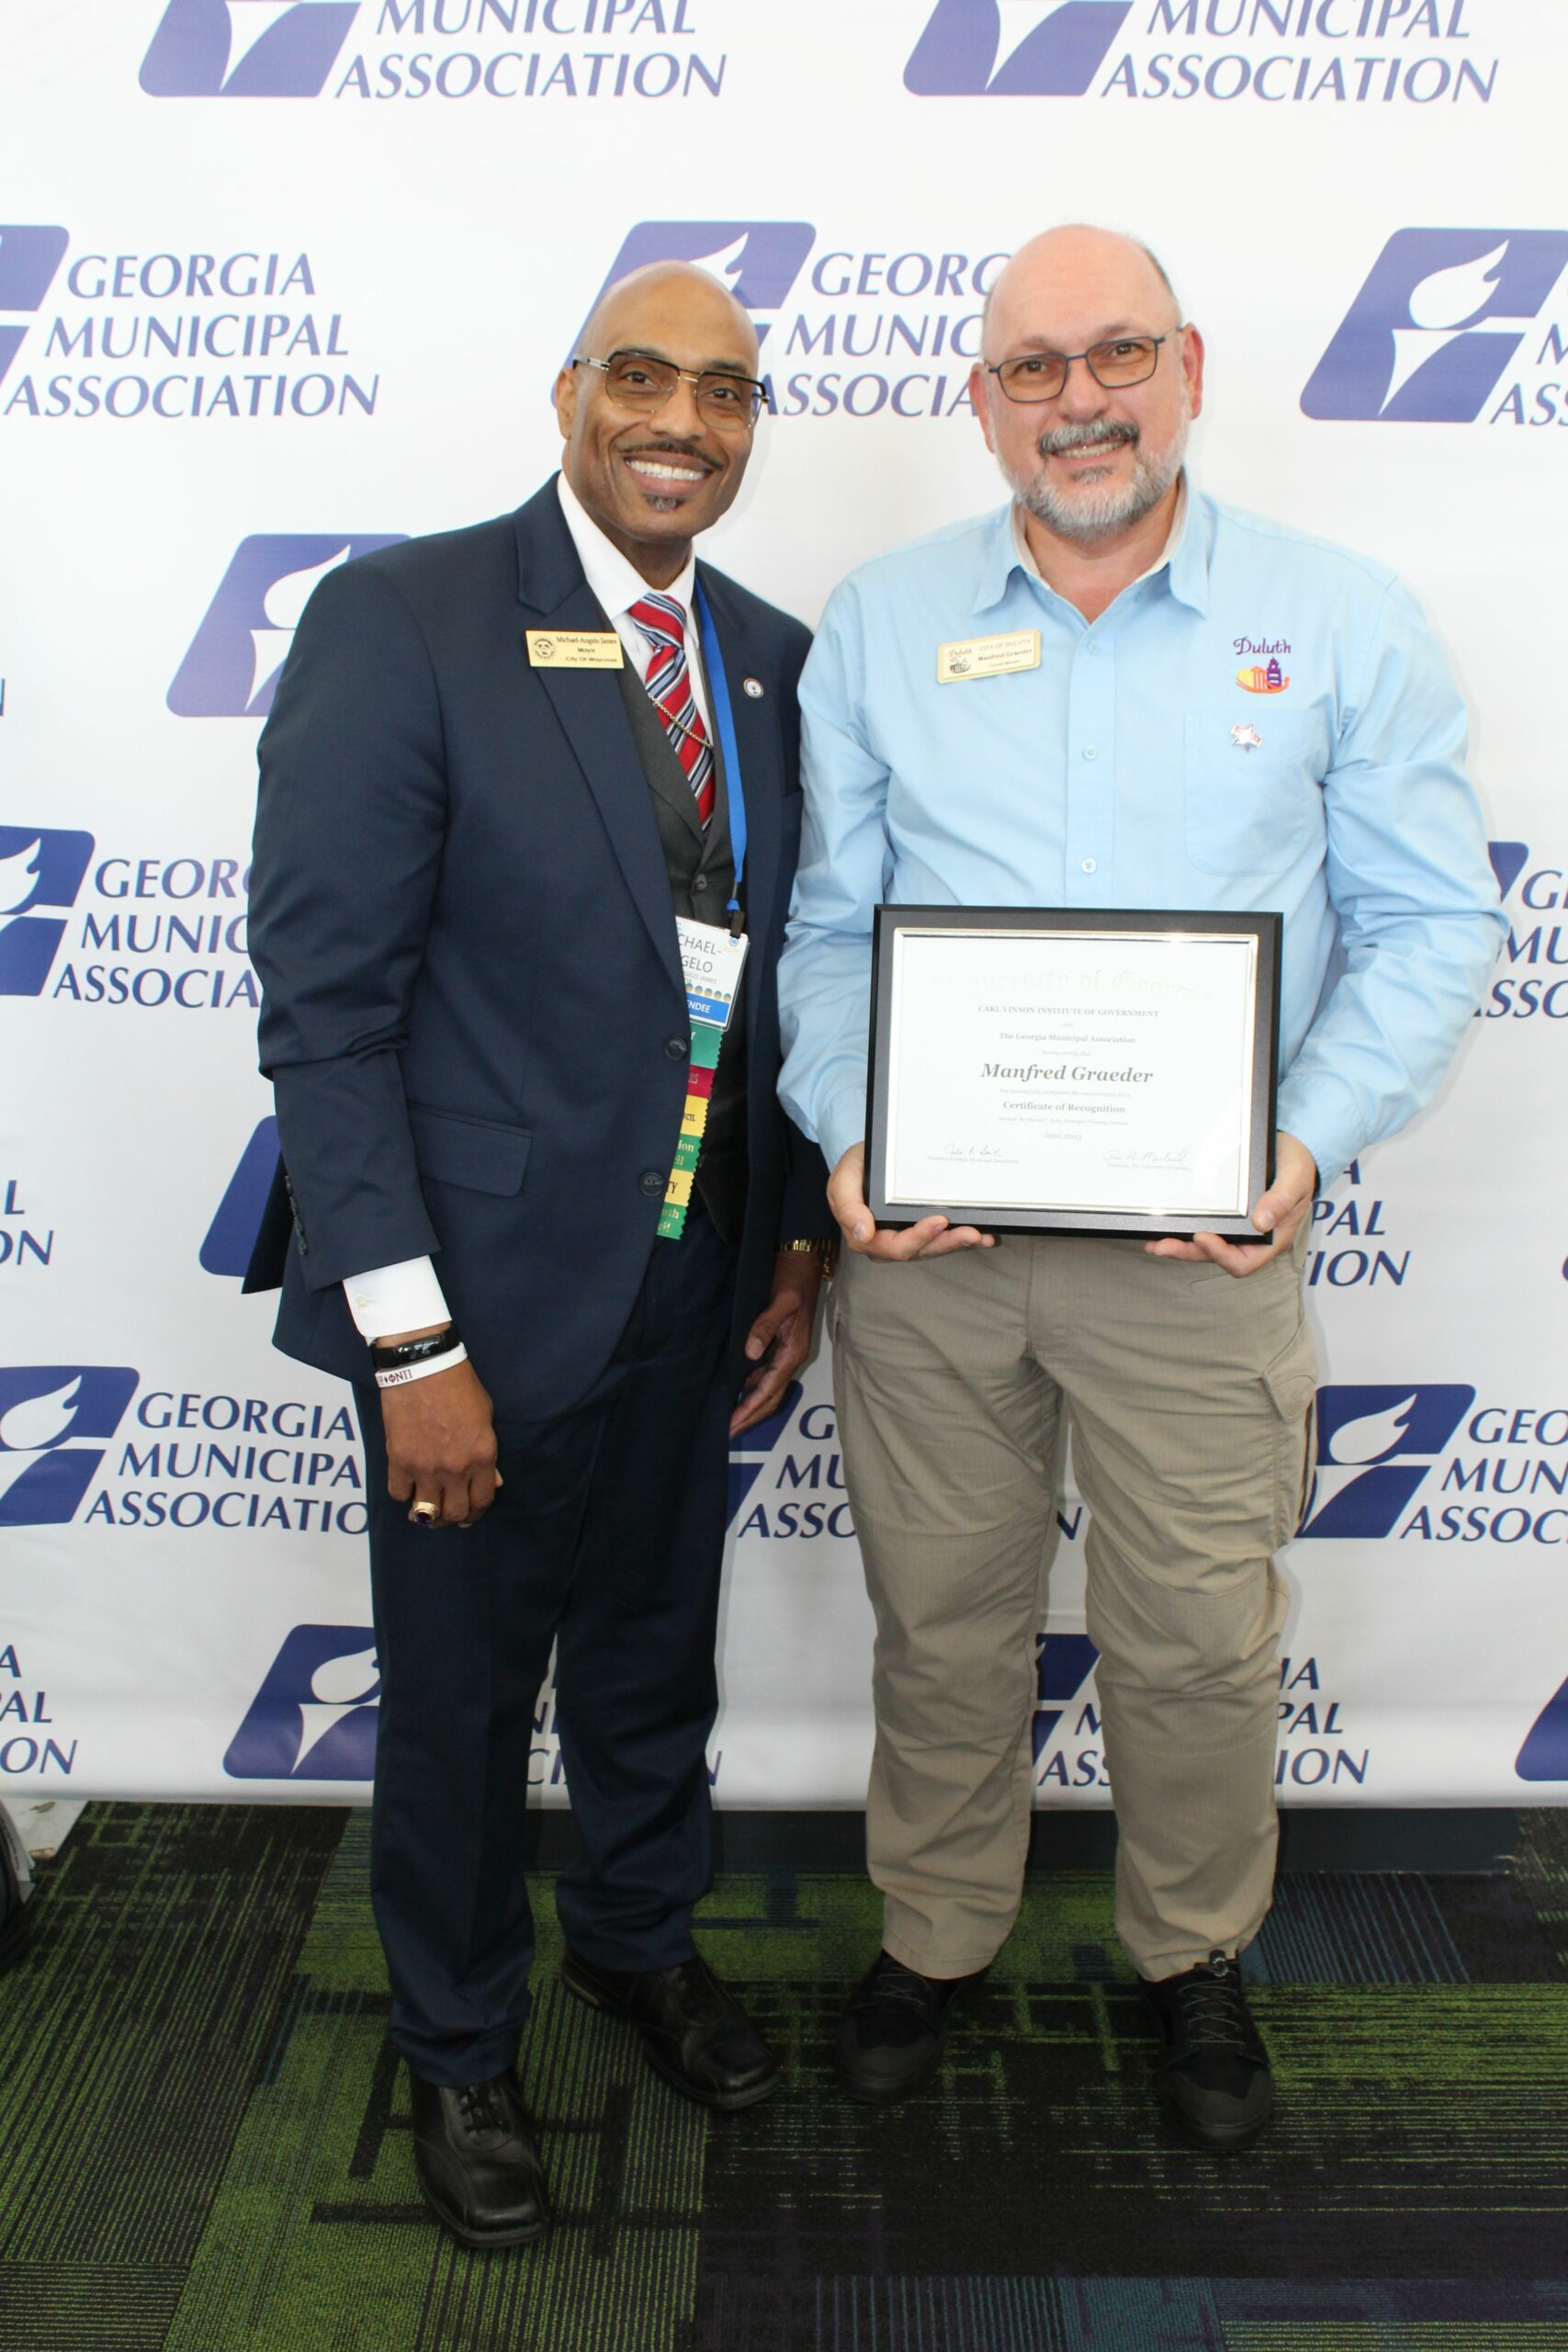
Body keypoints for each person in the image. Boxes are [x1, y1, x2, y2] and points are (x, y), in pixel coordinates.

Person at [776, 224, 1504, 2152]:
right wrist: (850, 1129)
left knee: (1192, 1634)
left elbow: (1432, 923)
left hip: (1199, 1246)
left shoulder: (1336, 616)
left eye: (1112, 355)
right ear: (980, 399)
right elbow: (830, 927)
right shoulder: (880, 618)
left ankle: (1191, 1954)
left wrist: (1297, 1138)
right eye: (1032, 367)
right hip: (933, 1252)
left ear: (1187, 364)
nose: (1076, 399)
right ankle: (932, 1933)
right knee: (938, 1618)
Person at [246, 260, 834, 2247]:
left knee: (652, 1656)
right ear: (569, 391)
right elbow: (326, 1013)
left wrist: (784, 1258)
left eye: (726, 390)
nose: (683, 419)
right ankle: (456, 2033)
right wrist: (412, 1343)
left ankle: (635, 1941)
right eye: (644, 376)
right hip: (476, 1303)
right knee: (460, 1695)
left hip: (692, 1274)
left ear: (752, 425)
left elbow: (755, 1001)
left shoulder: (765, 655)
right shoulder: (404, 619)